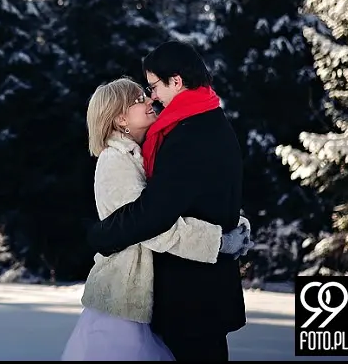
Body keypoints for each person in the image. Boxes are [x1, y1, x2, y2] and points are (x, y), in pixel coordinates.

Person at [61, 77, 252, 361]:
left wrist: (231, 223)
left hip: (143, 295)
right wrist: (218, 241)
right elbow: (151, 227)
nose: (150, 100)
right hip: (123, 300)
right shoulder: (116, 160)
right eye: (138, 100)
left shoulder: (140, 154)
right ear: (119, 118)